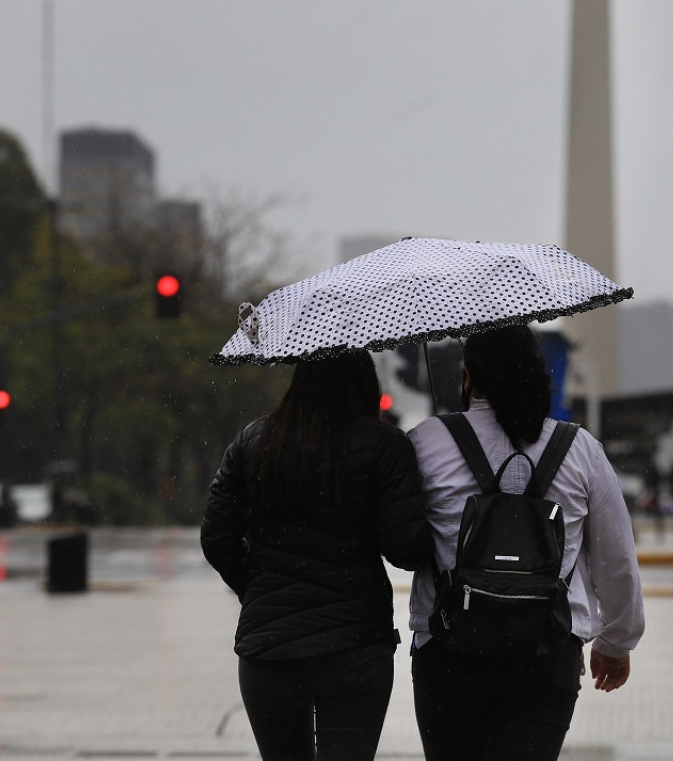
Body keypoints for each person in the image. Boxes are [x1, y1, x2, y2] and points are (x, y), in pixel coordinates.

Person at [407, 325, 645, 761]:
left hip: (449, 652)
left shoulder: (426, 443)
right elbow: (616, 555)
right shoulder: (580, 449)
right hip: (547, 652)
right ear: (537, 375)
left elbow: (402, 538)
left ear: (467, 377)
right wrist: (616, 642)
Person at [201, 352, 432, 761]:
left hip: (269, 648)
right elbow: (406, 549)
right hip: (356, 646)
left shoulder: (254, 441)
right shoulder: (384, 446)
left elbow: (217, 537)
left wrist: (257, 589)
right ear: (364, 383)